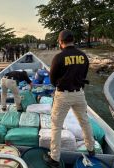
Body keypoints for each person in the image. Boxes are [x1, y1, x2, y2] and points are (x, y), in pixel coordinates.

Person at [43, 30, 95, 167]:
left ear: (61, 42)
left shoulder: (59, 57)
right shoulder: (83, 56)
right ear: (73, 40)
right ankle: (91, 149)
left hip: (63, 95)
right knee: (84, 122)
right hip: (79, 94)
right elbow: (84, 74)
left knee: (56, 126)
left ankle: (54, 158)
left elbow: (52, 80)